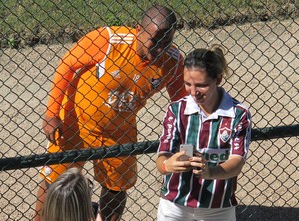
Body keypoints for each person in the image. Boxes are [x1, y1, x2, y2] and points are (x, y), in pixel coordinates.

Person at [34, 4, 187, 221]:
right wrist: (52, 113)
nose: (160, 49)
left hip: (119, 129)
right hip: (76, 121)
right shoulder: (107, 40)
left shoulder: (172, 61)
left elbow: (181, 99)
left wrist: (186, 130)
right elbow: (66, 65)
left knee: (116, 186)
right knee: (53, 180)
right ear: (138, 30)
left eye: (167, 41)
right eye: (154, 40)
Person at [156, 45, 252, 221]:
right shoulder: (176, 110)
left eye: (201, 85)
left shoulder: (238, 113)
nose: (193, 92)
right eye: (187, 84)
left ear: (218, 79)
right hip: (175, 203)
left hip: (218, 206)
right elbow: (162, 158)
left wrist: (210, 173)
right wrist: (167, 166)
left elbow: (237, 162)